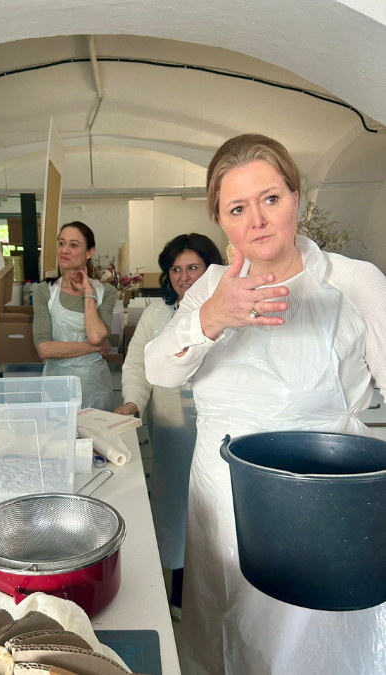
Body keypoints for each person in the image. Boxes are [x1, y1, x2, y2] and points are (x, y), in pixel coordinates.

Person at [144, 134, 386, 675]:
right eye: (237, 209)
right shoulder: (210, 286)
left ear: (296, 197)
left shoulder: (353, 282)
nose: (257, 221)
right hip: (223, 494)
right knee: (225, 632)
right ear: (220, 221)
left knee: (309, 642)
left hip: (322, 499)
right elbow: (160, 370)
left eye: (270, 199)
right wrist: (212, 318)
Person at [114, 233, 223, 618]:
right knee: (174, 510)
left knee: (216, 512)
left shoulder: (229, 314)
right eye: (176, 269)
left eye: (193, 267)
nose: (184, 276)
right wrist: (132, 403)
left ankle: (214, 595)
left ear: (212, 269)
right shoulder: (157, 316)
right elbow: (136, 366)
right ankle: (177, 594)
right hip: (172, 432)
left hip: (219, 432)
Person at [33, 221, 117, 411]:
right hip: (57, 387)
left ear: (89, 252)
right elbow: (44, 349)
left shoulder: (106, 292)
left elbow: (96, 335)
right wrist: (95, 347)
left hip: (95, 385)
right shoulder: (44, 291)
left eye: (73, 245)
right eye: (61, 243)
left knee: (96, 429)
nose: (64, 250)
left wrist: (88, 292)